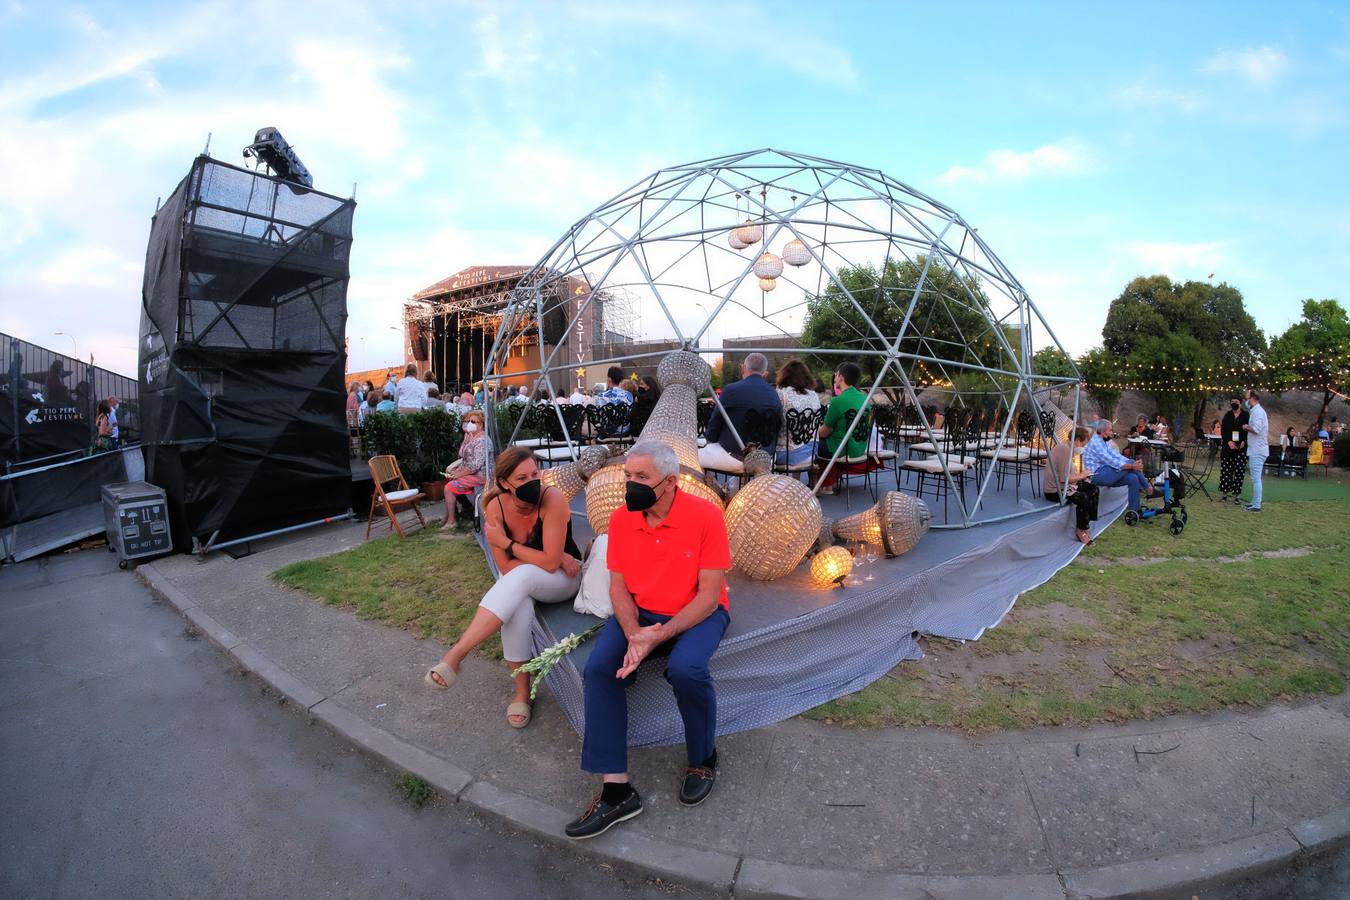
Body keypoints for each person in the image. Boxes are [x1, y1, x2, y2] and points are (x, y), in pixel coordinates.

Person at [566, 441, 731, 839]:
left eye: (642, 478)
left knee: (686, 669)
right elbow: (619, 591)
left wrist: (660, 635)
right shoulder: (622, 520)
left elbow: (710, 595)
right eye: (628, 476)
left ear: (671, 482)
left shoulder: (707, 516)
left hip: (698, 612)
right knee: (600, 670)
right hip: (640, 613)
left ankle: (703, 758)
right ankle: (617, 791)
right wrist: (634, 634)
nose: (630, 485)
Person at [424, 447, 583, 727]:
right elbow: (505, 568)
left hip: (565, 579)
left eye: (535, 473)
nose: (532, 481)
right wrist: (549, 557)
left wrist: (508, 544)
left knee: (520, 580)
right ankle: (522, 694)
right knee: (518, 604)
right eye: (522, 478)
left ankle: (457, 654)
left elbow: (547, 564)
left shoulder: (552, 498)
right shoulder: (494, 506)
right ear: (504, 483)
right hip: (526, 579)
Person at [700, 352, 781, 471]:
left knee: (692, 457)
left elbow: (714, 425)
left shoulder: (731, 390)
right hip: (766, 458)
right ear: (765, 373)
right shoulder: (775, 394)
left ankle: (711, 488)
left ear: (743, 368)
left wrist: (710, 440)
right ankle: (738, 487)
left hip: (734, 457)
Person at [812, 362, 869, 492]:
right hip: (859, 448)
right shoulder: (865, 398)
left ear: (841, 378)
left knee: (811, 446)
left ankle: (819, 485)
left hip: (842, 449)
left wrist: (812, 433)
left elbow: (824, 433)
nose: (835, 377)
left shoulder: (838, 401)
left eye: (836, 374)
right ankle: (826, 484)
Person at [1081, 419, 1153, 513]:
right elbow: (1111, 461)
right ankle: (1148, 488)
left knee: (1133, 478)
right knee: (1131, 463)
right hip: (1096, 475)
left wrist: (1135, 464)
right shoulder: (1096, 443)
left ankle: (1134, 510)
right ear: (1103, 431)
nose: (1112, 433)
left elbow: (1116, 456)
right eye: (1110, 430)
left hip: (1106, 473)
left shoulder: (1103, 442)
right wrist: (1132, 466)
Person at [1044, 426, 1099, 545]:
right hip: (1055, 490)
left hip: (1065, 485)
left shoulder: (1068, 448)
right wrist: (1082, 475)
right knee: (1083, 498)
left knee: (1093, 489)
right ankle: (1081, 531)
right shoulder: (1065, 450)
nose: (1083, 447)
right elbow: (1064, 478)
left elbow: (1068, 474)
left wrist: (1083, 476)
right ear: (1078, 440)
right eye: (1083, 444)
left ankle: (1086, 524)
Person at [442, 410, 488, 530]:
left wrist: (459, 474)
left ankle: (451, 521)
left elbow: (475, 466)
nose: (469, 424)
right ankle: (455, 513)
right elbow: (463, 455)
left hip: (481, 475)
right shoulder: (473, 436)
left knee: (449, 487)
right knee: (449, 480)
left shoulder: (482, 440)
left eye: (473, 422)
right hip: (473, 472)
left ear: (481, 424)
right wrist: (457, 472)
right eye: (468, 421)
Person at [774, 359, 821, 470]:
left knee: (765, 452)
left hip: (788, 454)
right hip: (812, 451)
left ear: (784, 375)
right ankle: (795, 484)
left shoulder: (781, 394)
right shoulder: (813, 395)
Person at [1218, 394, 1248, 502]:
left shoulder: (1246, 415)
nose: (1234, 403)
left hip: (1241, 448)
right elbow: (1223, 431)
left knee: (1239, 472)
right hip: (1228, 448)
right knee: (1226, 471)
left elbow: (1248, 431)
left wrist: (1244, 441)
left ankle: (1237, 495)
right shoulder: (1228, 415)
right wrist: (1228, 441)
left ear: (1240, 403)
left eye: (1236, 401)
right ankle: (1225, 494)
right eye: (1232, 402)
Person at [1242, 390, 1268, 512]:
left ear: (1252, 398)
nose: (1246, 400)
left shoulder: (1258, 412)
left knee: (1256, 479)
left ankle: (1257, 505)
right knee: (1255, 478)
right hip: (1256, 449)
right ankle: (1254, 502)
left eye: (1247, 396)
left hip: (1257, 449)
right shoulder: (1256, 411)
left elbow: (1256, 429)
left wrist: (1247, 427)